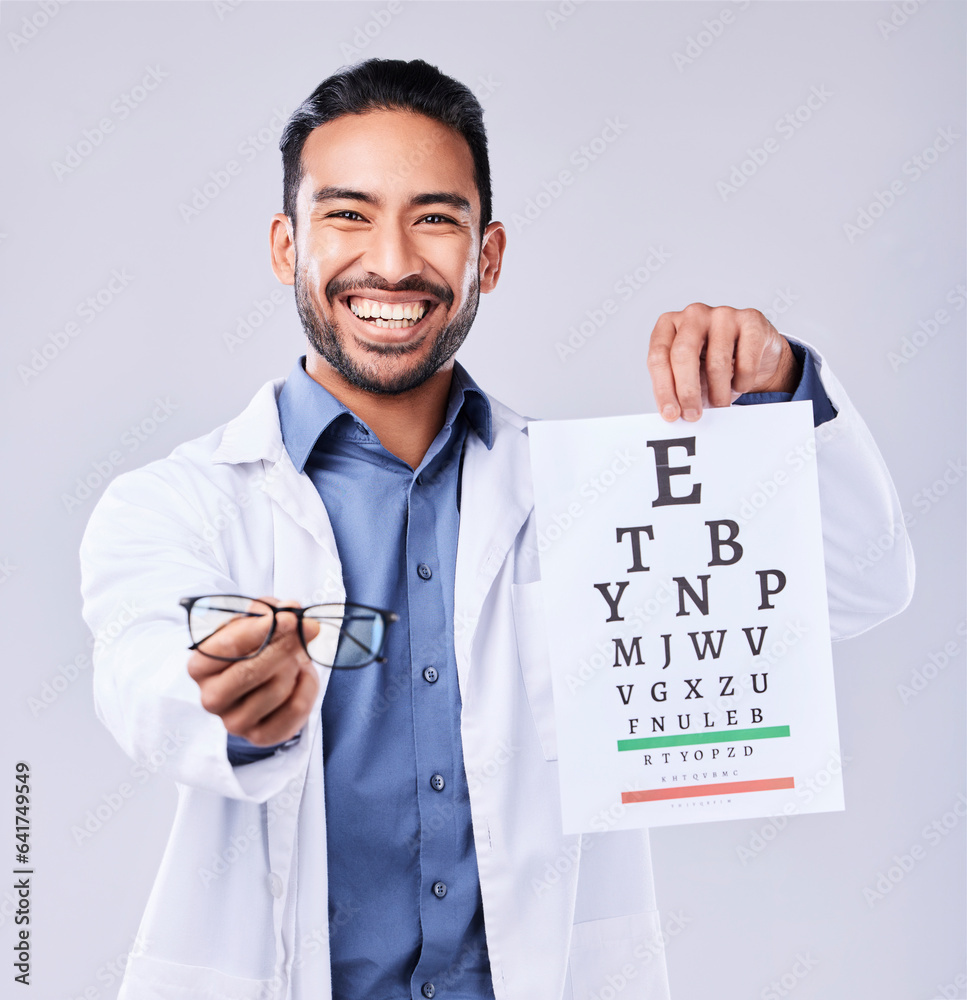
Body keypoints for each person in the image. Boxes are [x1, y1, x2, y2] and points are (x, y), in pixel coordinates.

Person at [79, 58, 913, 1000]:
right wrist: (224, 698)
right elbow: (138, 663)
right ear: (286, 247)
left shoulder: (591, 498)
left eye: (435, 217)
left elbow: (860, 582)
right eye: (346, 214)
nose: (391, 261)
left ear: (490, 254)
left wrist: (783, 393)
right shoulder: (180, 501)